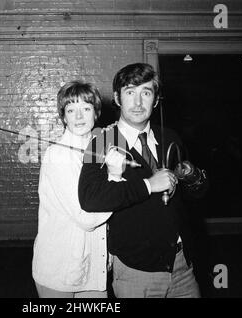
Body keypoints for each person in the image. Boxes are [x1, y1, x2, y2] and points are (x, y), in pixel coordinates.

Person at [78, 63, 209, 298]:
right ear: (117, 98)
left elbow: (196, 194)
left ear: (156, 100)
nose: (138, 103)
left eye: (146, 93)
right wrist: (149, 185)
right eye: (130, 92)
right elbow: (90, 198)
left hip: (182, 265)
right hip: (136, 271)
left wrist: (192, 176)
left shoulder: (169, 136)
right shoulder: (102, 139)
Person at [32, 80, 122, 298]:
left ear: (96, 113)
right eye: (71, 110)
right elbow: (86, 218)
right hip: (59, 268)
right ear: (63, 117)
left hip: (95, 266)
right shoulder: (58, 155)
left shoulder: (100, 148)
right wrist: (115, 177)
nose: (79, 117)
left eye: (86, 108)